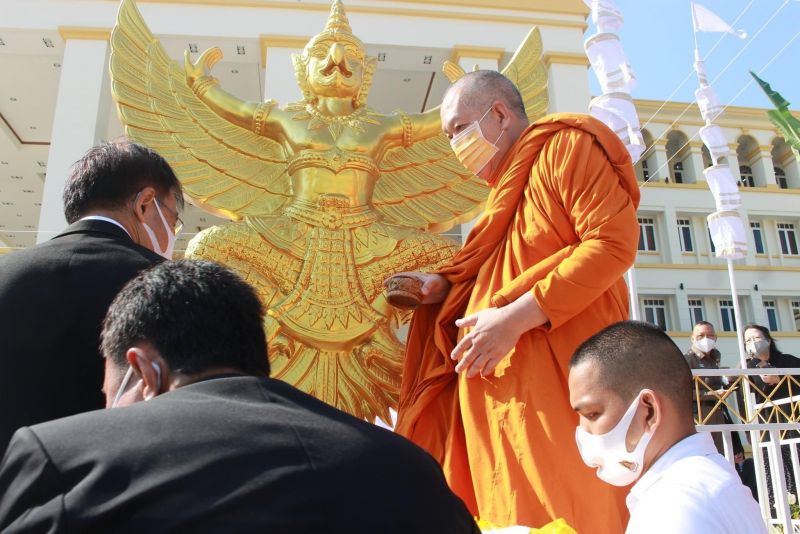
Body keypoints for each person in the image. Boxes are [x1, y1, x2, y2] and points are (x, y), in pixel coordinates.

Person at [0, 260, 479, 533]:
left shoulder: (60, 457)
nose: (107, 414)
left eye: (109, 394)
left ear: (145, 370)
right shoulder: (408, 468)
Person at [391, 70, 640, 530]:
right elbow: (500, 272)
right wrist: (445, 287)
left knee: (576, 514)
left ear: (500, 113)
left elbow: (612, 243)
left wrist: (514, 319)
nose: (454, 146)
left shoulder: (565, 148)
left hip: (563, 398)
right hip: (500, 413)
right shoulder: (502, 197)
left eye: (458, 129)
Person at [0, 139, 183, 450]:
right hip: (112, 482)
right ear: (145, 203)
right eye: (174, 220)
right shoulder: (167, 283)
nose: (173, 235)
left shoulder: (6, 271)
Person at [568, 320, 766, 534]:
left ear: (649, 410)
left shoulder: (673, 507)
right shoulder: (704, 482)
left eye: (591, 414)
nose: (582, 432)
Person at [744, 323, 800, 513]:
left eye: (756, 338)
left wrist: (781, 379)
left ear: (768, 339)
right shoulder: (746, 368)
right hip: (767, 428)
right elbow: (745, 399)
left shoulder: (788, 361)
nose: (753, 342)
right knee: (775, 473)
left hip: (792, 422)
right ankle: (783, 515)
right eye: (748, 340)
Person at [684, 321, 728, 453]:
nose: (706, 339)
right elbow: (681, 391)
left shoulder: (714, 360)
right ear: (692, 338)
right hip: (697, 415)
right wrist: (709, 394)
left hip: (717, 414)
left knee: (719, 455)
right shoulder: (687, 360)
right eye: (700, 336)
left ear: (715, 338)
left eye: (709, 335)